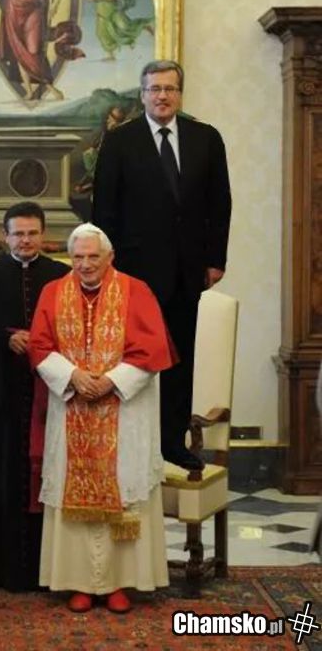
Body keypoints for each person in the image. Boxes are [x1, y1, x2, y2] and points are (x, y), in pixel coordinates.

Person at [92, 60, 232, 471]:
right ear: (142, 95)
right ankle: (131, 444)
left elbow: (220, 204)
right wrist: (107, 270)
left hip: (189, 271)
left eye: (170, 88)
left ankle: (172, 443)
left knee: (178, 360)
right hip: (133, 274)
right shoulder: (120, 141)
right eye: (154, 89)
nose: (162, 96)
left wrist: (215, 260)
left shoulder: (207, 138)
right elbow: (104, 210)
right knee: (132, 360)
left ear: (180, 94)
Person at [28, 223, 175, 612]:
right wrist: (73, 376)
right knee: (71, 491)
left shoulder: (136, 291)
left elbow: (151, 349)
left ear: (110, 257)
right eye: (78, 257)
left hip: (124, 410)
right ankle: (79, 582)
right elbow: (40, 346)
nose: (86, 264)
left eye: (94, 256)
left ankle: (119, 583)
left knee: (125, 488)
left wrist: (111, 381)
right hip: (72, 406)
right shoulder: (52, 292)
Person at [0, 201, 68, 591]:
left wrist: (39, 341)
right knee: (3, 465)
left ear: (43, 235)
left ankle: (50, 564)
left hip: (51, 387)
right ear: (5, 237)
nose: (25, 240)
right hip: (6, 385)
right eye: (18, 234)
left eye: (32, 233)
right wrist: (6, 337)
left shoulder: (61, 275)